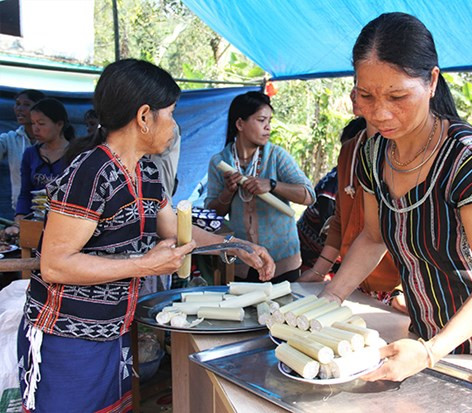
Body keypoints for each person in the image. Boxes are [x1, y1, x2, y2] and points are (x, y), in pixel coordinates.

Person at [320, 12, 472, 394]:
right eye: (367, 96)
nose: (380, 113)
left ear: (432, 81)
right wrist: (328, 298)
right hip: (429, 338)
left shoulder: (470, 160)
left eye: (398, 96)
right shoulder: (373, 154)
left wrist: (430, 351)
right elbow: (373, 237)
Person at [17, 59, 275, 411]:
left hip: (113, 331)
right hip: (67, 338)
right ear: (143, 117)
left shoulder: (147, 173)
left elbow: (178, 232)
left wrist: (234, 245)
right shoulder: (91, 173)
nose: (174, 125)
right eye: (169, 113)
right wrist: (144, 264)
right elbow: (55, 265)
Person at [206, 91, 315, 283]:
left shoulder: (276, 156)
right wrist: (227, 192)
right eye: (261, 120)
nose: (268, 127)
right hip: (244, 262)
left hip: (283, 262)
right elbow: (212, 214)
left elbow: (308, 196)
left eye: (269, 121)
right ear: (240, 124)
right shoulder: (220, 162)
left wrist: (272, 185)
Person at [300, 117, 405, 312]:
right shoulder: (350, 151)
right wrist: (319, 271)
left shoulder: (410, 153)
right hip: (356, 285)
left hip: (397, 291)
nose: (355, 94)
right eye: (361, 89)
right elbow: (341, 222)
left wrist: (403, 290)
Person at [14, 98, 73, 222]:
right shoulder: (30, 154)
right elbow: (25, 193)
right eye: (33, 123)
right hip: (35, 221)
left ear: (59, 124)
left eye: (41, 124)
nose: (36, 128)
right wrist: (19, 217)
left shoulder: (76, 154)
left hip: (64, 222)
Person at [0, 89, 45, 214]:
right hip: (20, 211)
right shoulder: (9, 138)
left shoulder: (52, 141)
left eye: (26, 104)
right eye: (17, 104)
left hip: (49, 214)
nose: (19, 108)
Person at [296, 165, 337, 272]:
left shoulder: (339, 177)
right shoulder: (335, 184)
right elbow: (331, 230)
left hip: (319, 252)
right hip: (310, 251)